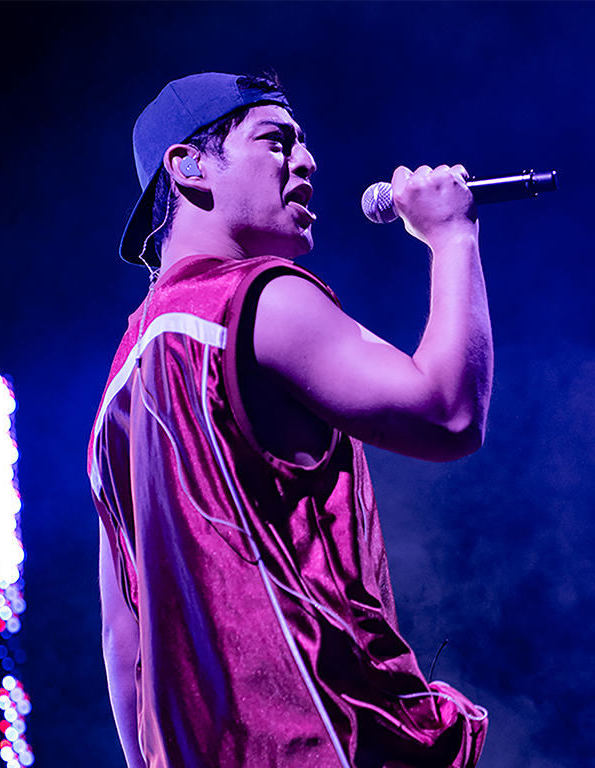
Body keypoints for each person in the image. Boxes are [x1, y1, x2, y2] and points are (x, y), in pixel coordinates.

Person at [88, 71, 493, 768]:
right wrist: (452, 237)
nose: (306, 161)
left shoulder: (116, 397)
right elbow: (449, 415)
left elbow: (123, 641)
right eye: (275, 141)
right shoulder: (253, 300)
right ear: (188, 167)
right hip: (323, 744)